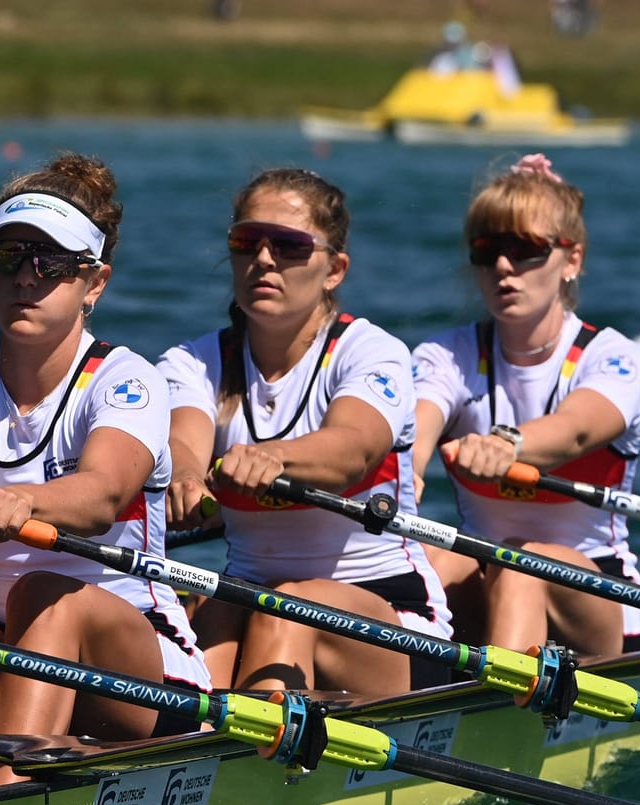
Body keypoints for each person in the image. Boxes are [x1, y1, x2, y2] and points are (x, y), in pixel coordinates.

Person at [0, 152, 210, 787]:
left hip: (142, 675)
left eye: (51, 264)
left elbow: (101, 494)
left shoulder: (127, 380)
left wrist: (26, 503)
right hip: (12, 650)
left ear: (94, 284)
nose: (25, 279)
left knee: (45, 594)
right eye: (8, 259)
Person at [159, 167, 452, 696]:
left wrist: (271, 458)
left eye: (290, 246)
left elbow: (352, 450)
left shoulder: (371, 352)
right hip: (255, 601)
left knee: (286, 609)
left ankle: (242, 764)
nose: (264, 260)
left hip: (394, 619)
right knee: (209, 617)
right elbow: (185, 440)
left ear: (334, 269)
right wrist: (182, 476)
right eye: (247, 242)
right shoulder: (191, 363)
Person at [410, 153, 640, 659]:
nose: (504, 266)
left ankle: (497, 720)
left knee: (521, 564)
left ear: (572, 261)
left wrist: (510, 445)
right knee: (426, 561)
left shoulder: (614, 358)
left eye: (525, 249)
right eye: (488, 249)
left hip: (599, 594)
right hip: (486, 569)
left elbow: (576, 431)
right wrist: (406, 469)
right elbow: (415, 424)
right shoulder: (444, 356)